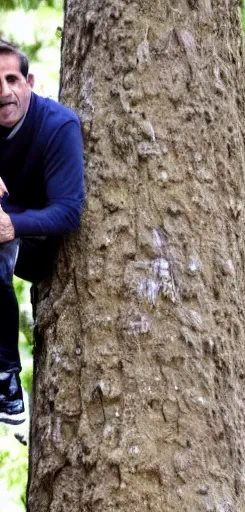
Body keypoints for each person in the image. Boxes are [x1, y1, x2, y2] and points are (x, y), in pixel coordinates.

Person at [0, 39, 85, 425]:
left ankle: (6, 384)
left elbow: (69, 212)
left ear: (29, 81)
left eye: (11, 79)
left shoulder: (58, 126)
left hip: (41, 240)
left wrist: (13, 225)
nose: (3, 91)